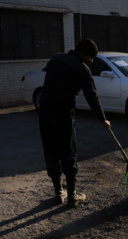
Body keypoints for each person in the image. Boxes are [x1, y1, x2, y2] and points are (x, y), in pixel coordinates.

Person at [38, 38, 111, 207]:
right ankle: (72, 196)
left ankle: (58, 194)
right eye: (91, 57)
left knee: (50, 149)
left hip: (45, 111)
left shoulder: (55, 59)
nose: (91, 61)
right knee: (68, 151)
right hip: (63, 113)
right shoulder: (82, 69)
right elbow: (92, 96)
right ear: (83, 54)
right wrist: (102, 119)